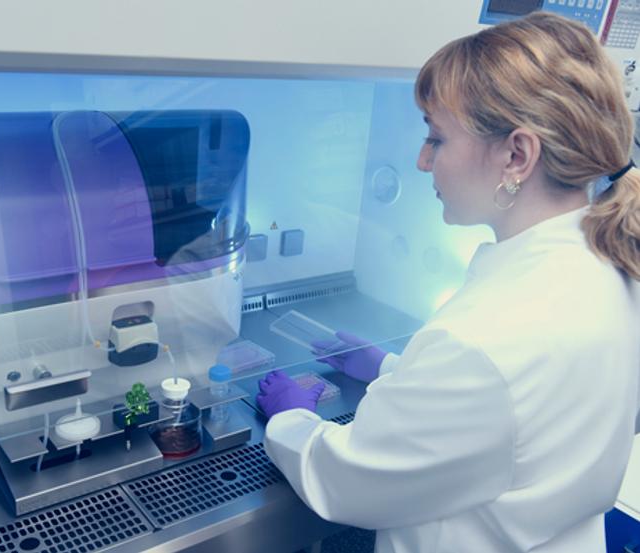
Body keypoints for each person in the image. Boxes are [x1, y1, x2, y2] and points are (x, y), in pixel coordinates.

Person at [256, 12, 640, 553]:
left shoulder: (484, 339)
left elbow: (347, 482)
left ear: (516, 155)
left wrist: (290, 417)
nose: (421, 160)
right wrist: (392, 367)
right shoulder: (609, 262)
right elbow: (514, 426)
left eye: (436, 139)